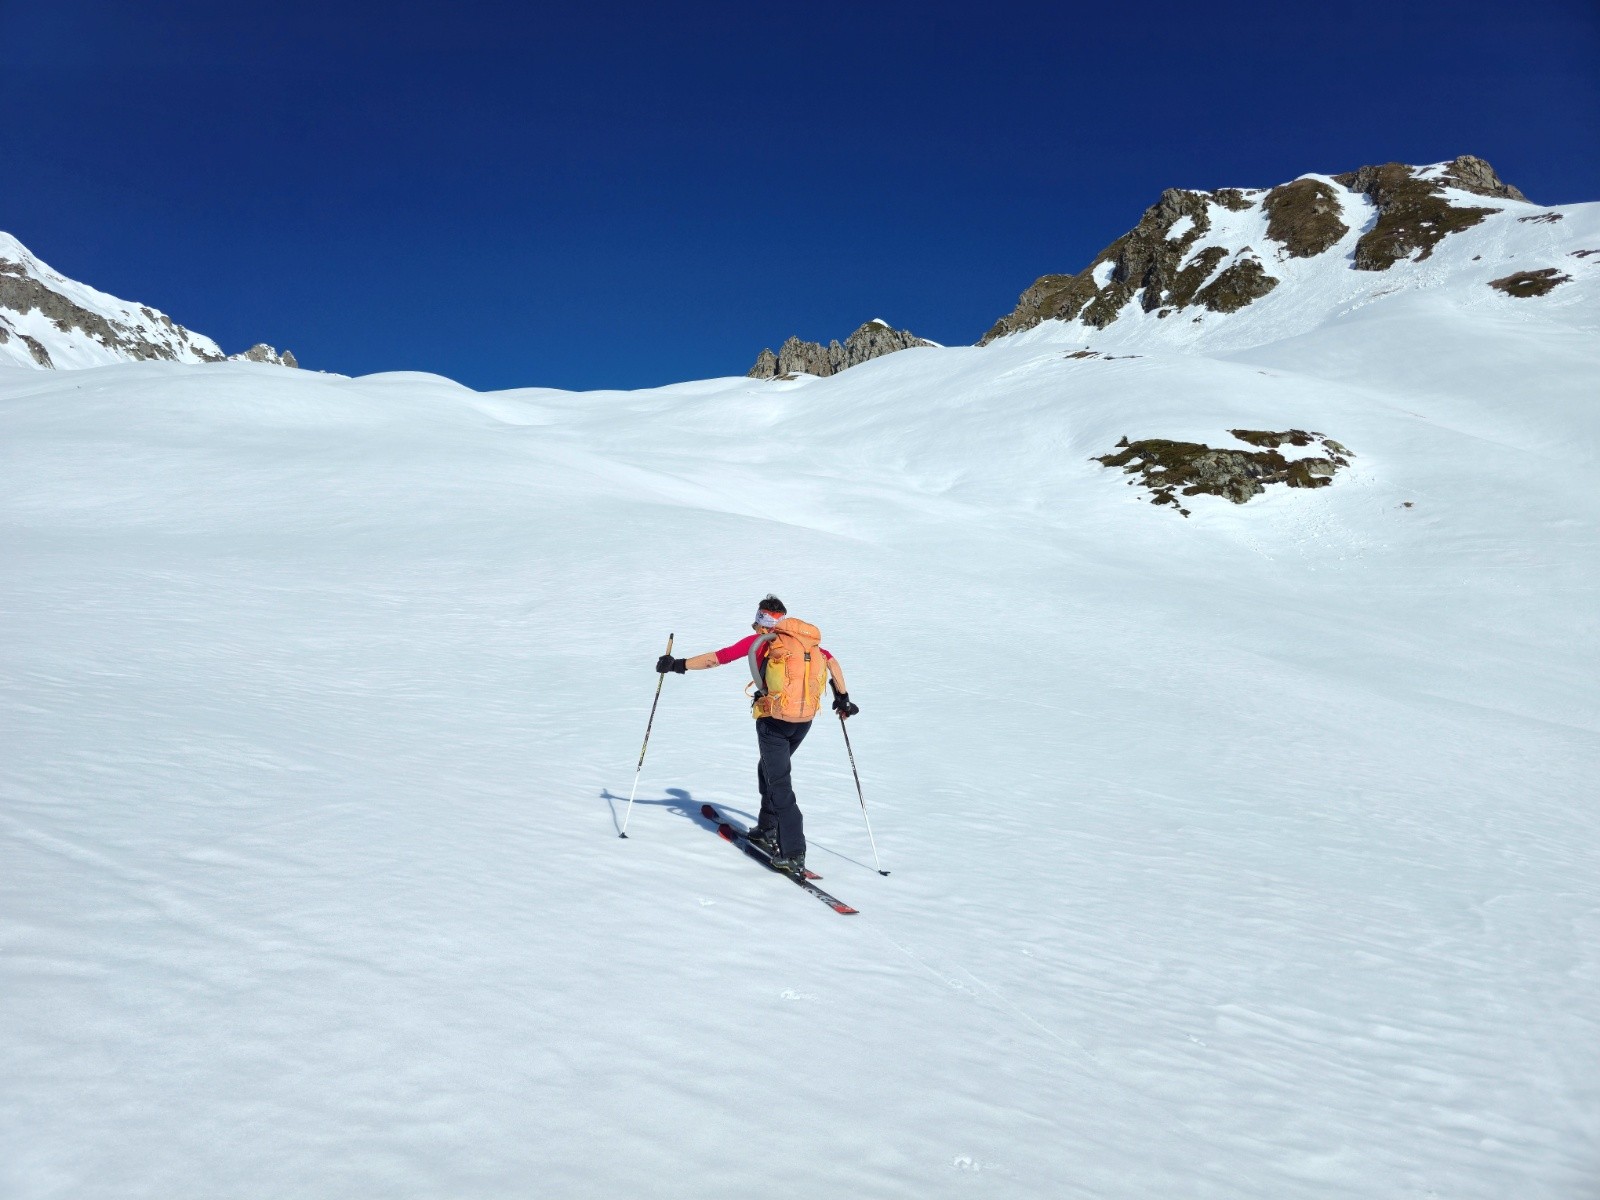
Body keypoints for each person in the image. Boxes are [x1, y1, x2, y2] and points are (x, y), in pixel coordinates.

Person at [655, 595, 858, 874]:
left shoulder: (762, 642)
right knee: (768, 770)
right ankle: (766, 828)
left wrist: (678, 664)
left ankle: (793, 852)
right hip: (803, 722)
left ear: (761, 622)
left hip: (773, 722)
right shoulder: (806, 645)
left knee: (779, 783)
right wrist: (843, 699)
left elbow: (718, 658)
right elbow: (833, 664)